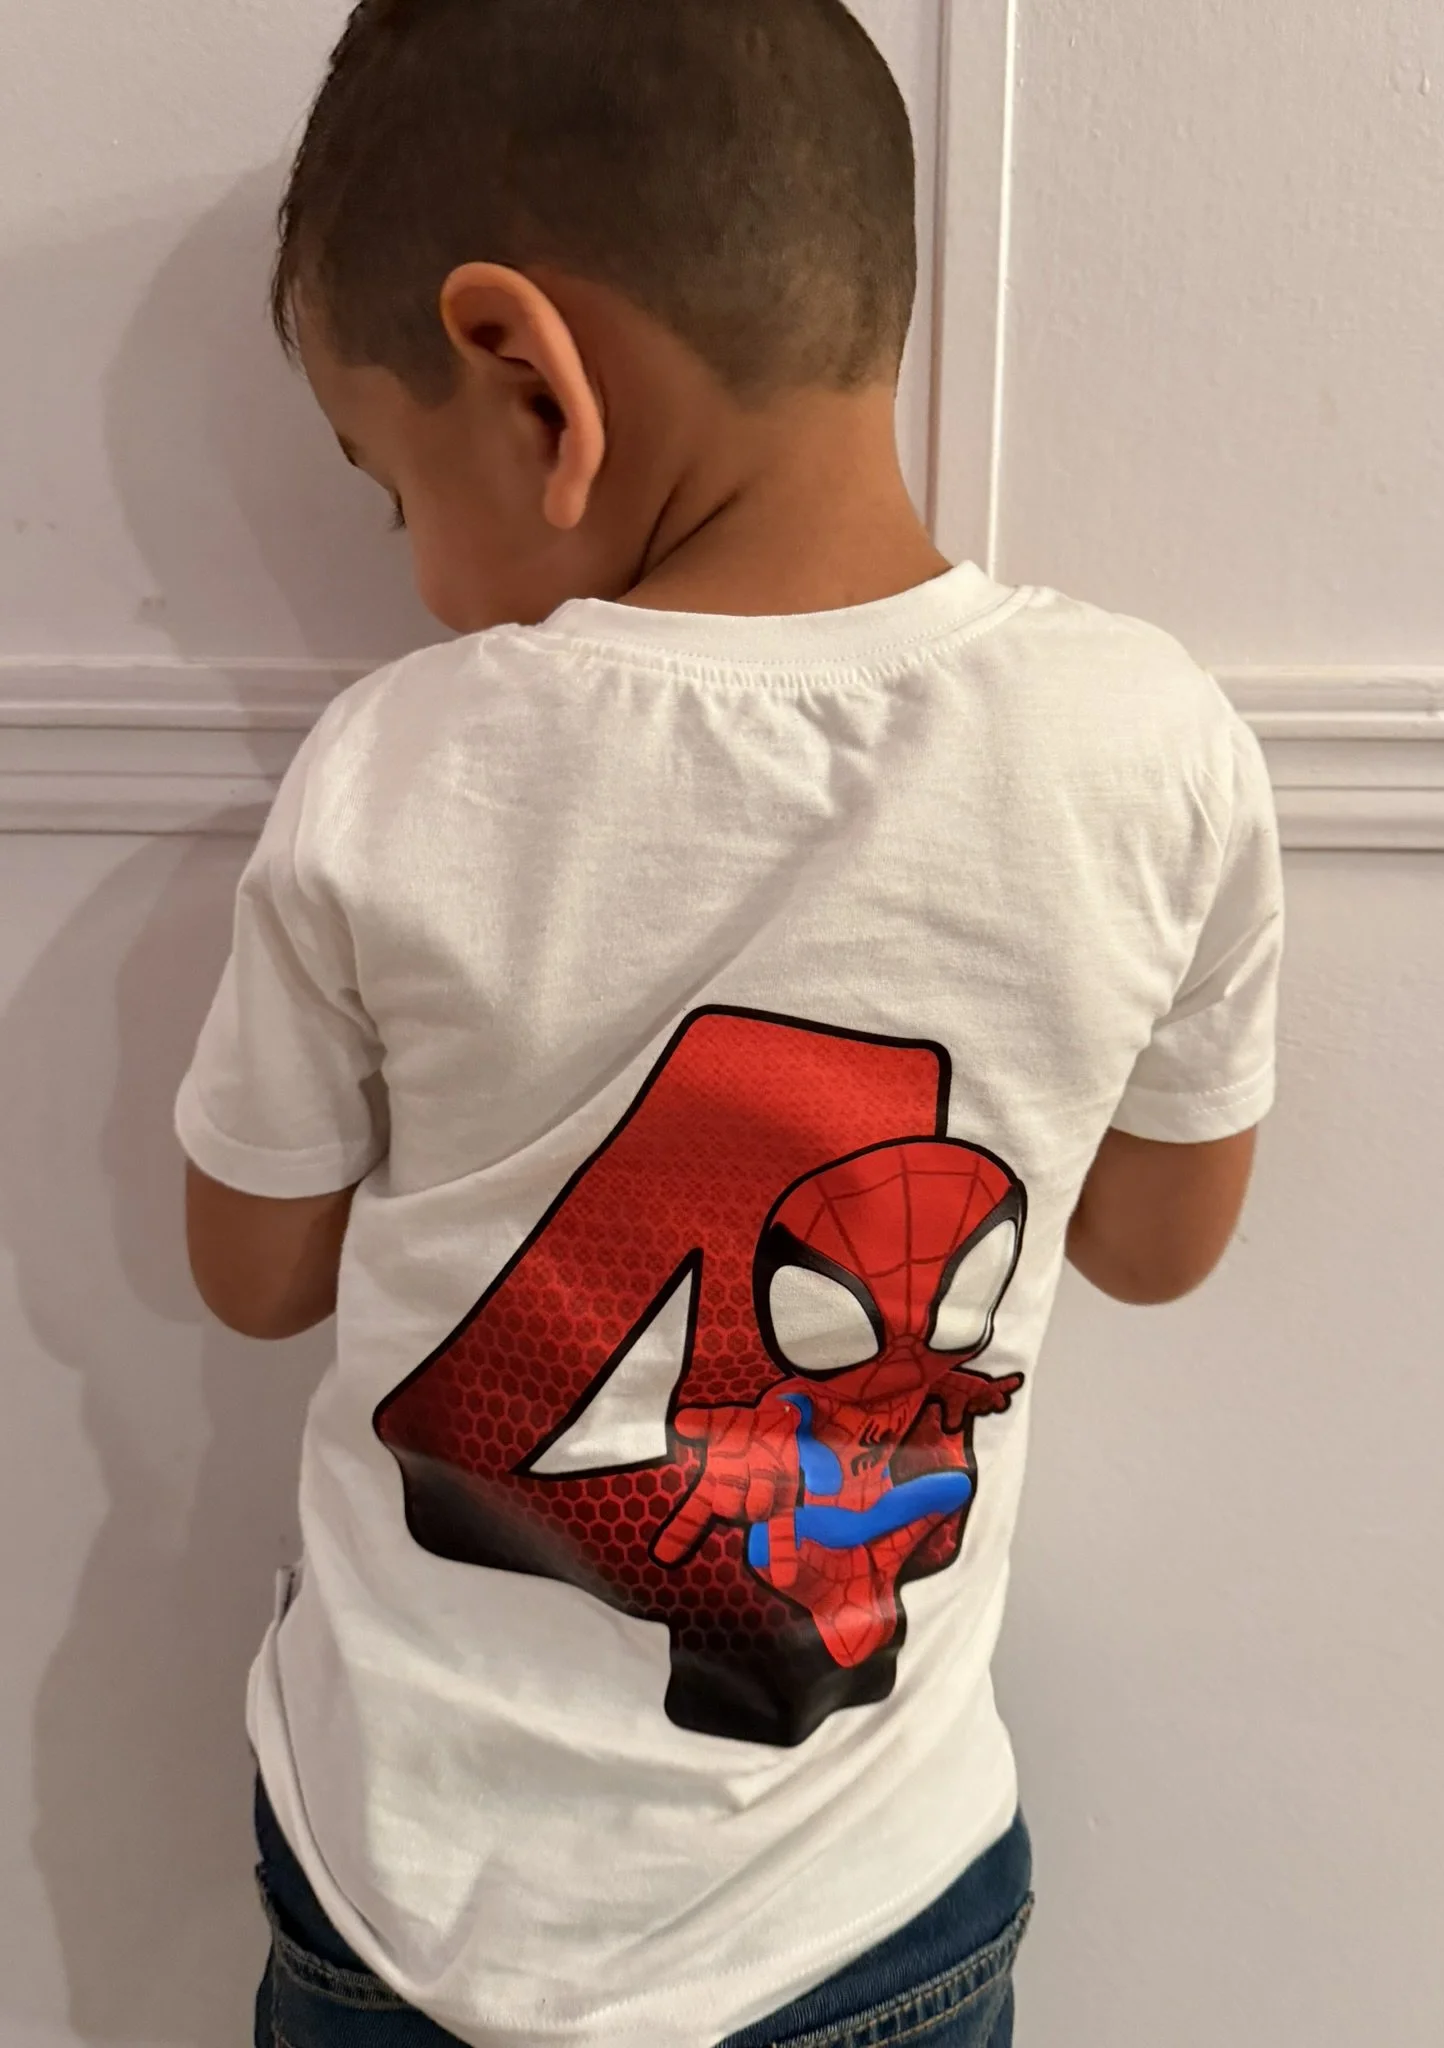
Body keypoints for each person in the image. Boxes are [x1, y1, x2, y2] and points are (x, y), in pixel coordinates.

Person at [176, 3, 1284, 2044]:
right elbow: (1156, 1241)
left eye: (385, 488)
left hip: (400, 1888)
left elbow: (247, 1270)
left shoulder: (401, 762)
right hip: (856, 1901)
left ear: (530, 384)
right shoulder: (1154, 750)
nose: (413, 576)